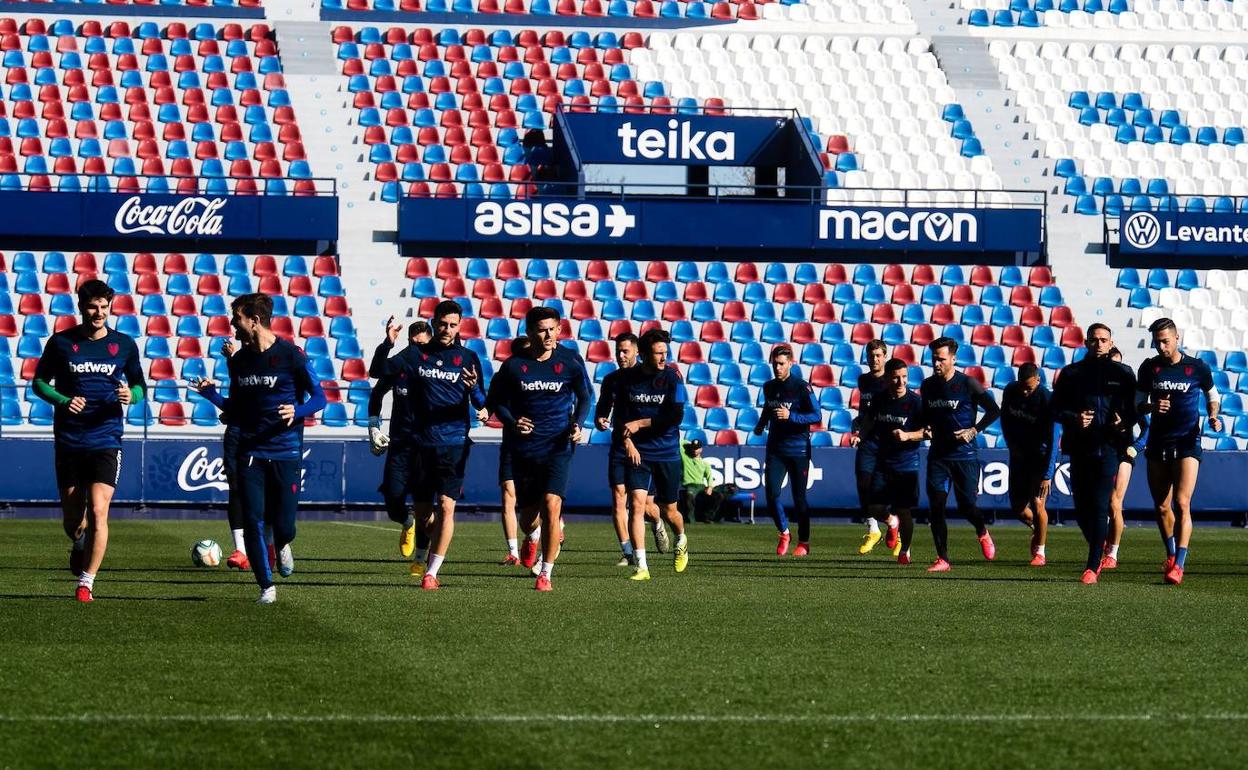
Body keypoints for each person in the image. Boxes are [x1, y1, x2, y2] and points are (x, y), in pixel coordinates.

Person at [194, 293, 326, 604]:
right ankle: (266, 587)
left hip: (286, 452)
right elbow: (236, 409)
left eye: (236, 318)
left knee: (284, 525)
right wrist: (212, 395)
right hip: (250, 450)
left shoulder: (292, 356)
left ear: (254, 321)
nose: (232, 324)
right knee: (252, 518)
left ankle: (282, 544)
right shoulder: (238, 361)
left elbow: (320, 399)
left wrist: (298, 411)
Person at [33, 279, 145, 602]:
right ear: (82, 307)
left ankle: (86, 582)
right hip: (69, 438)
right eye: (93, 307)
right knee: (74, 519)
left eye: (104, 307)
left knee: (99, 510)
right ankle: (79, 542)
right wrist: (63, 400)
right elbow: (39, 383)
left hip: (106, 437)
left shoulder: (124, 345)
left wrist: (131, 394)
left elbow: (139, 385)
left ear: (110, 308)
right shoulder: (61, 343)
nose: (99, 313)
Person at [371, 301, 485, 589]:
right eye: (443, 324)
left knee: (447, 506)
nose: (447, 329)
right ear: (434, 323)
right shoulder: (415, 354)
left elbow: (482, 401)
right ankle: (429, 544)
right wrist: (387, 343)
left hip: (454, 443)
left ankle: (431, 572)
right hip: (420, 445)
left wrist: (475, 392)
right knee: (423, 514)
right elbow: (378, 372)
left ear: (460, 326)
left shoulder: (469, 358)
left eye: (453, 325)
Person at [485, 306, 590, 591]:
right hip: (525, 450)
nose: (548, 335)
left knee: (552, 506)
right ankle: (532, 537)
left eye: (552, 329)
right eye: (541, 330)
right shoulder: (514, 365)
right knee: (529, 519)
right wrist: (512, 420)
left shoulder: (570, 361)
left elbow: (585, 397)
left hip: (558, 446)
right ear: (530, 332)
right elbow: (497, 400)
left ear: (559, 329)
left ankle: (546, 573)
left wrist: (578, 424)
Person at [1136, 317, 1221, 585]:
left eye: (1165, 341)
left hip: (1187, 442)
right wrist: (1151, 407)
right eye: (1157, 342)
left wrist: (1213, 415)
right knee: (1162, 506)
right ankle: (1171, 555)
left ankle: (1180, 566)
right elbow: (1137, 404)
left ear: (1177, 338)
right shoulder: (1150, 368)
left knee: (1181, 503)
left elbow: (1213, 395)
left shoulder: (1197, 367)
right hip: (1158, 443)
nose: (1161, 346)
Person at [1052, 323, 1136, 584]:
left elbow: (1134, 411)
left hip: (1109, 448)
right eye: (1094, 339)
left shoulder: (1123, 373)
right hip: (1079, 448)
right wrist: (1075, 418)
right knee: (1081, 509)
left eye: (1104, 340)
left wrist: (1123, 422)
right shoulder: (1071, 373)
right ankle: (1097, 545)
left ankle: (1092, 567)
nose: (1099, 344)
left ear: (1111, 343)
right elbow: (1055, 409)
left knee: (1101, 507)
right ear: (1086, 343)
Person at [612, 328, 690, 580]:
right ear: (644, 354)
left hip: (667, 452)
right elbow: (622, 417)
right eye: (658, 353)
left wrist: (641, 424)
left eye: (665, 352)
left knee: (669, 511)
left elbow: (675, 416)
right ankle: (642, 566)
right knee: (636, 505)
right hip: (640, 452)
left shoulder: (673, 378)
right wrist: (629, 443)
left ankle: (681, 538)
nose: (663, 358)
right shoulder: (627, 380)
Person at [919, 337, 1000, 572]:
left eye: (941, 359)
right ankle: (943, 558)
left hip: (964, 456)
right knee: (936, 507)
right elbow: (926, 416)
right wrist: (925, 428)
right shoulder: (927, 386)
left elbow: (994, 410)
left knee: (967, 507)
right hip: (938, 456)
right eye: (934, 358)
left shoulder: (968, 384)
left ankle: (982, 531)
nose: (936, 363)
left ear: (953, 359)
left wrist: (974, 430)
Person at [595, 332, 670, 567]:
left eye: (625, 351)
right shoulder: (612, 380)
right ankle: (627, 552)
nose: (621, 355)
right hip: (620, 444)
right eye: (618, 351)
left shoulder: (651, 377)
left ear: (638, 352)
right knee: (619, 498)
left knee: (646, 506)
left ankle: (657, 523)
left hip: (647, 446)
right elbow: (603, 408)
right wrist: (600, 419)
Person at [367, 319, 432, 561]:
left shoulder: (439, 367)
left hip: (429, 447)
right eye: (414, 344)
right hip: (401, 446)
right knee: (393, 500)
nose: (418, 350)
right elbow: (376, 385)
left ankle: (421, 559)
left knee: (425, 505)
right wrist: (374, 426)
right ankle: (407, 522)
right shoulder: (403, 363)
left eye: (423, 345)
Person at [753, 344, 821, 556]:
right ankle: (784, 532)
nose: (778, 368)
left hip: (799, 450)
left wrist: (791, 417)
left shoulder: (802, 387)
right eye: (775, 364)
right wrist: (761, 423)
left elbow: (816, 416)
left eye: (782, 364)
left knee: (799, 498)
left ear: (790, 364)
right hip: (776, 449)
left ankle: (804, 542)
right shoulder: (769, 386)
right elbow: (768, 406)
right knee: (771, 493)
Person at [858, 358, 925, 564]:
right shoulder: (879, 400)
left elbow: (928, 432)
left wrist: (908, 436)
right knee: (872, 506)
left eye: (904, 377)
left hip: (906, 464)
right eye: (896, 378)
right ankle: (890, 522)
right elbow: (869, 420)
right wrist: (860, 435)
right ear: (887, 379)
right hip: (883, 461)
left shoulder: (916, 403)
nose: (901, 382)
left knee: (904, 509)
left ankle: (905, 550)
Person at [999, 362, 1060, 567]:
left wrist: (1048, 474)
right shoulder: (1010, 391)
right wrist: (1010, 444)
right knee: (1017, 508)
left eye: (1030, 388)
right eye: (1023, 386)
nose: (1025, 391)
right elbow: (1005, 419)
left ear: (1039, 380)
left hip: (1040, 458)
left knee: (1037, 502)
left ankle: (1040, 552)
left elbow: (1054, 439)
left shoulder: (1047, 400)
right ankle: (1038, 528)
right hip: (1019, 456)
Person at [849, 339, 899, 555]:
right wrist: (856, 429)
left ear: (885, 357)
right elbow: (864, 411)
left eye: (878, 355)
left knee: (891, 491)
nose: (874, 359)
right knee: (863, 485)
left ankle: (901, 537)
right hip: (868, 441)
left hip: (889, 442)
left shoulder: (892, 381)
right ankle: (874, 528)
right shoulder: (864, 381)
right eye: (871, 356)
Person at [1102, 347, 1149, 570]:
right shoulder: (1099, 398)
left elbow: (1147, 428)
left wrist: (1136, 447)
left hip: (1123, 452)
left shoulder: (1131, 400)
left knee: (1114, 503)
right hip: (1101, 451)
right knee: (1100, 504)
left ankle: (1113, 553)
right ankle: (1103, 542)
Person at [679, 439, 720, 524]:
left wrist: (710, 487)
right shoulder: (686, 458)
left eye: (696, 448)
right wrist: (690, 443)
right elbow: (680, 442)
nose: (694, 450)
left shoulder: (705, 464)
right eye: (693, 448)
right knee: (689, 496)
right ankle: (691, 519)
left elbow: (709, 477)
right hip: (690, 485)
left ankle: (707, 517)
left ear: (701, 449)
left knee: (717, 496)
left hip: (701, 486)